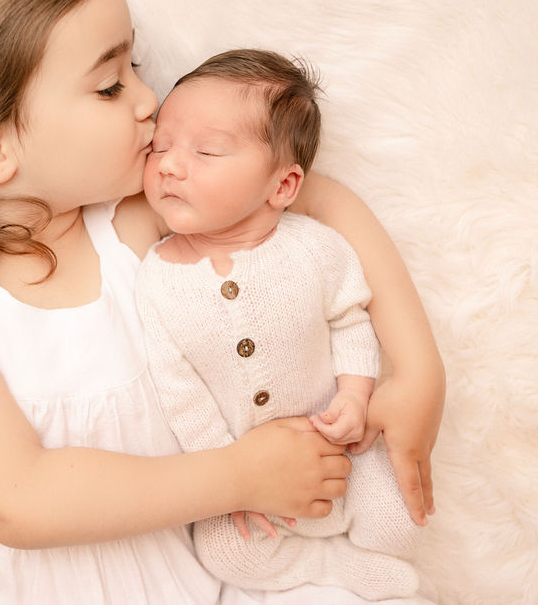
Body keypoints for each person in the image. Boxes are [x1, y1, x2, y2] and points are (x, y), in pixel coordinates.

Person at [0, 0, 444, 605]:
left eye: (138, 66)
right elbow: (18, 499)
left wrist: (418, 371)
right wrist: (241, 476)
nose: (151, 100)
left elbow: (322, 198)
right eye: (110, 84)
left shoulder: (135, 219)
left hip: (201, 580)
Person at [136, 49, 424, 600]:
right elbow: (178, 387)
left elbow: (350, 320)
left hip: (342, 449)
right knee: (226, 552)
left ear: (283, 186)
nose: (170, 164)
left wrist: (356, 396)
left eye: (206, 151)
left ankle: (364, 561)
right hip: (249, 480)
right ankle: (326, 573)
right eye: (161, 146)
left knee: (399, 518)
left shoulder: (315, 249)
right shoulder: (157, 277)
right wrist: (229, 474)